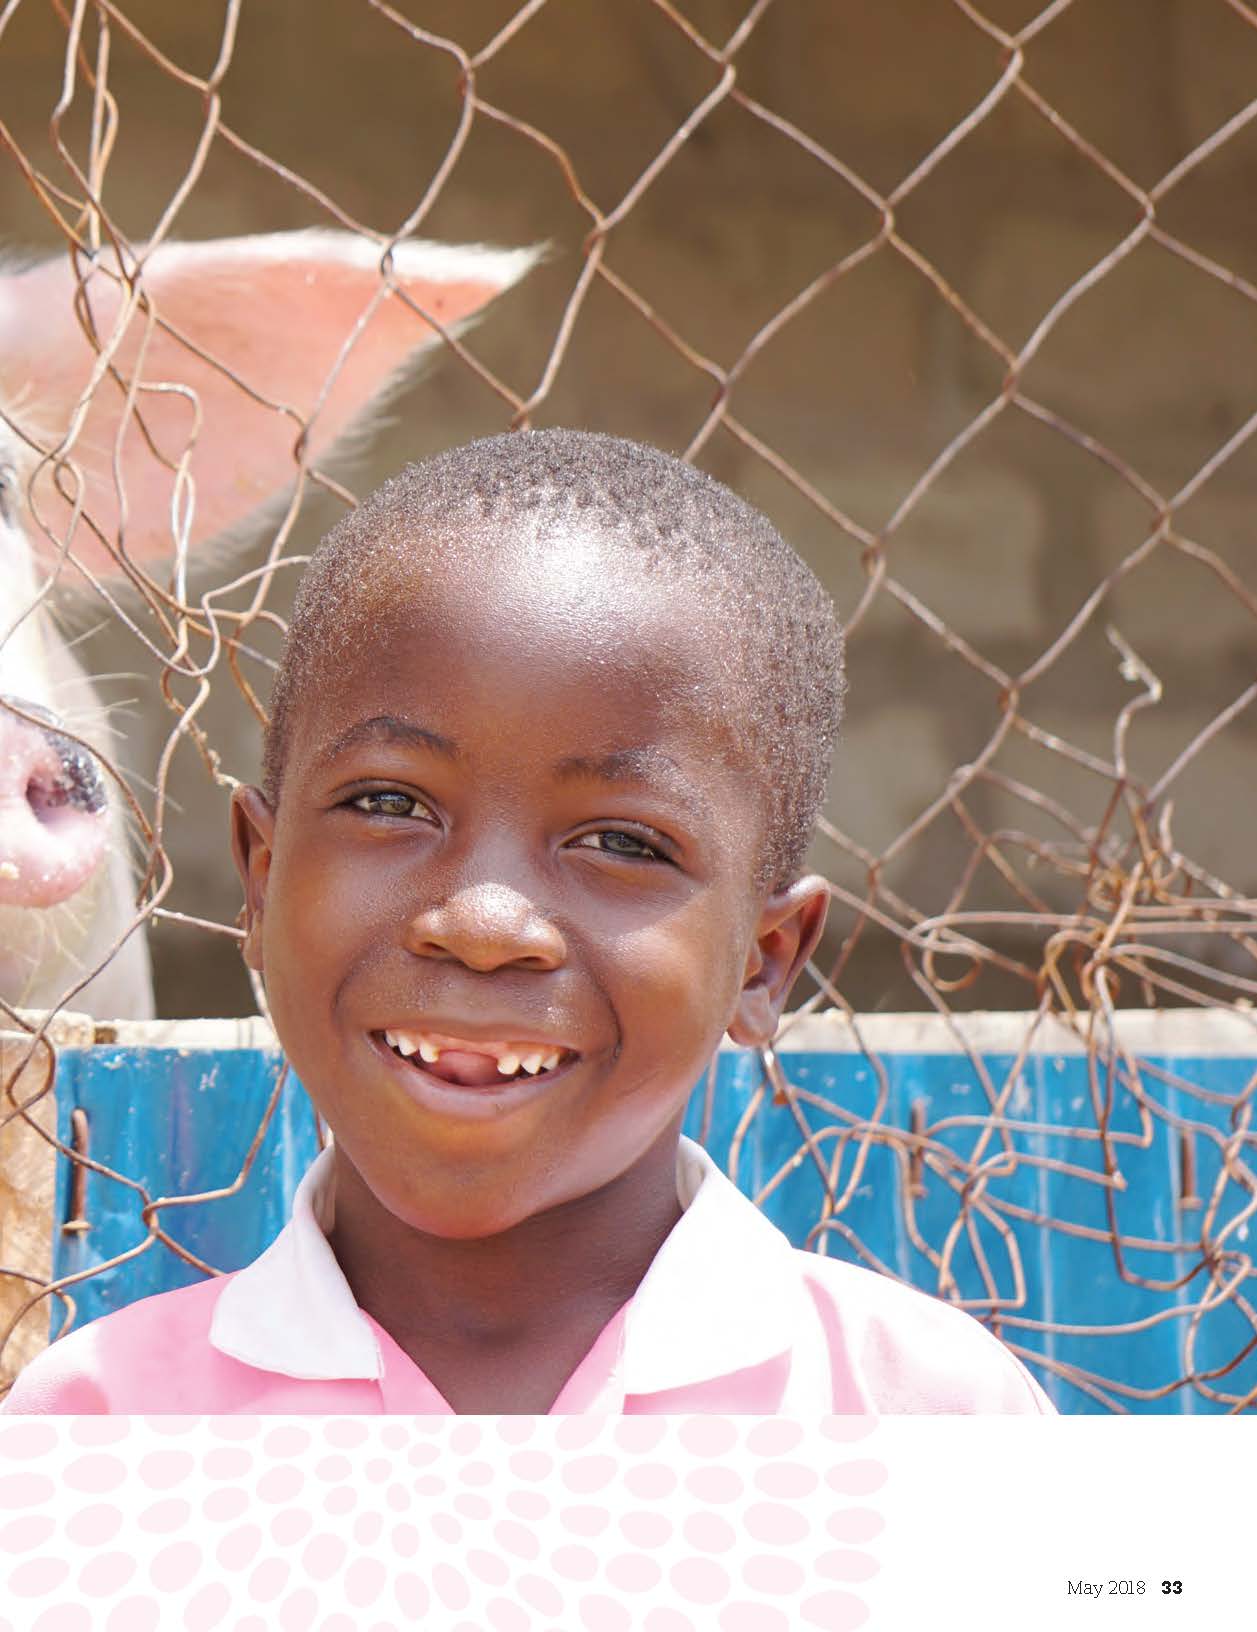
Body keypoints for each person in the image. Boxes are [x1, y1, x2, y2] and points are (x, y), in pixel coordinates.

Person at [3, 430, 1053, 1414]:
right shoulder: (102, 1428)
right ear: (263, 879)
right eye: (389, 804)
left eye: (625, 843)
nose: (485, 923)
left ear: (764, 962)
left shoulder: (920, 1416)